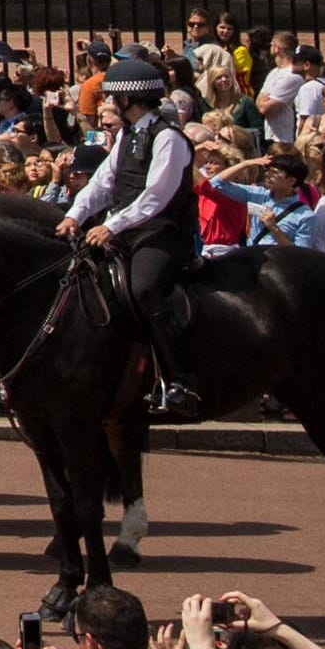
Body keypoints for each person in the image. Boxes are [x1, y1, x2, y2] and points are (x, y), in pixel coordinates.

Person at [66, 50, 204, 422]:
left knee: (143, 288)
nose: (110, 104)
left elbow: (156, 197)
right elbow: (102, 183)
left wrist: (111, 225)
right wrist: (73, 215)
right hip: (127, 228)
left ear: (128, 99)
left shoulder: (169, 138)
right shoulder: (126, 135)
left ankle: (180, 380)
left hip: (163, 233)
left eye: (113, 98)